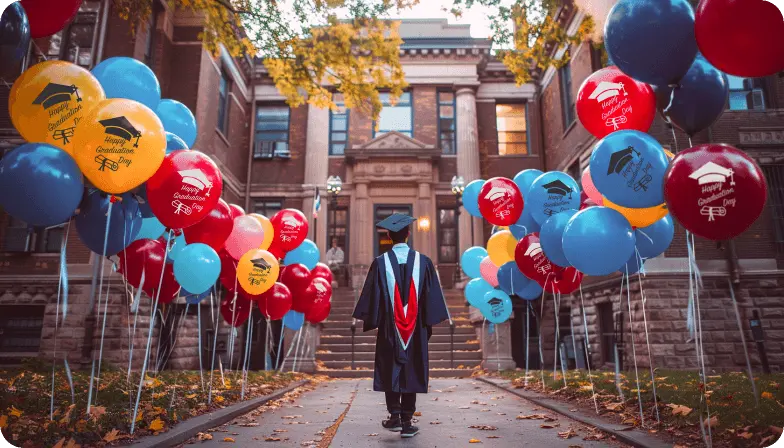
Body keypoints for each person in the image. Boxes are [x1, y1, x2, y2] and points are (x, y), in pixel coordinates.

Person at [352, 213, 450, 439]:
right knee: (413, 368)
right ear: (408, 234)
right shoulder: (424, 262)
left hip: (389, 328)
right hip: (416, 329)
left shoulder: (379, 263)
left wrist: (374, 319)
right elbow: (431, 297)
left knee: (390, 367)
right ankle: (407, 420)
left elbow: (372, 298)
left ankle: (394, 416)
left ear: (388, 235)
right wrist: (427, 323)